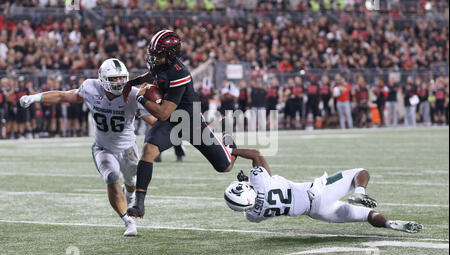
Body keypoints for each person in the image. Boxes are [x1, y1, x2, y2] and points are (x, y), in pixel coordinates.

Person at [20, 58, 153, 237]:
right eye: (114, 79)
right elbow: (63, 95)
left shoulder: (133, 94)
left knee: (132, 183)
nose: (119, 82)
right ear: (103, 78)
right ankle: (127, 221)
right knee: (111, 177)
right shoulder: (91, 88)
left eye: (122, 78)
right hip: (103, 148)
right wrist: (34, 97)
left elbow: (153, 120)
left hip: (128, 148)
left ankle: (128, 192)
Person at [121, 30, 236, 218]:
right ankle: (139, 204)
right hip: (171, 122)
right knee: (148, 151)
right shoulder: (160, 64)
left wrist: (139, 97)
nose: (153, 58)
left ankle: (228, 141)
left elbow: (163, 113)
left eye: (157, 55)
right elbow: (152, 76)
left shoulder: (180, 73)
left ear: (170, 55)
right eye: (152, 53)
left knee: (225, 167)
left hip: (190, 123)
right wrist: (132, 83)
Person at [224, 148, 423, 233]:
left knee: (366, 216)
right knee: (361, 172)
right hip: (318, 192)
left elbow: (258, 197)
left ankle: (389, 224)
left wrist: (250, 181)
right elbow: (256, 156)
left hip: (317, 213)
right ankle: (359, 192)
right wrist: (232, 151)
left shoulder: (252, 216)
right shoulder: (259, 181)